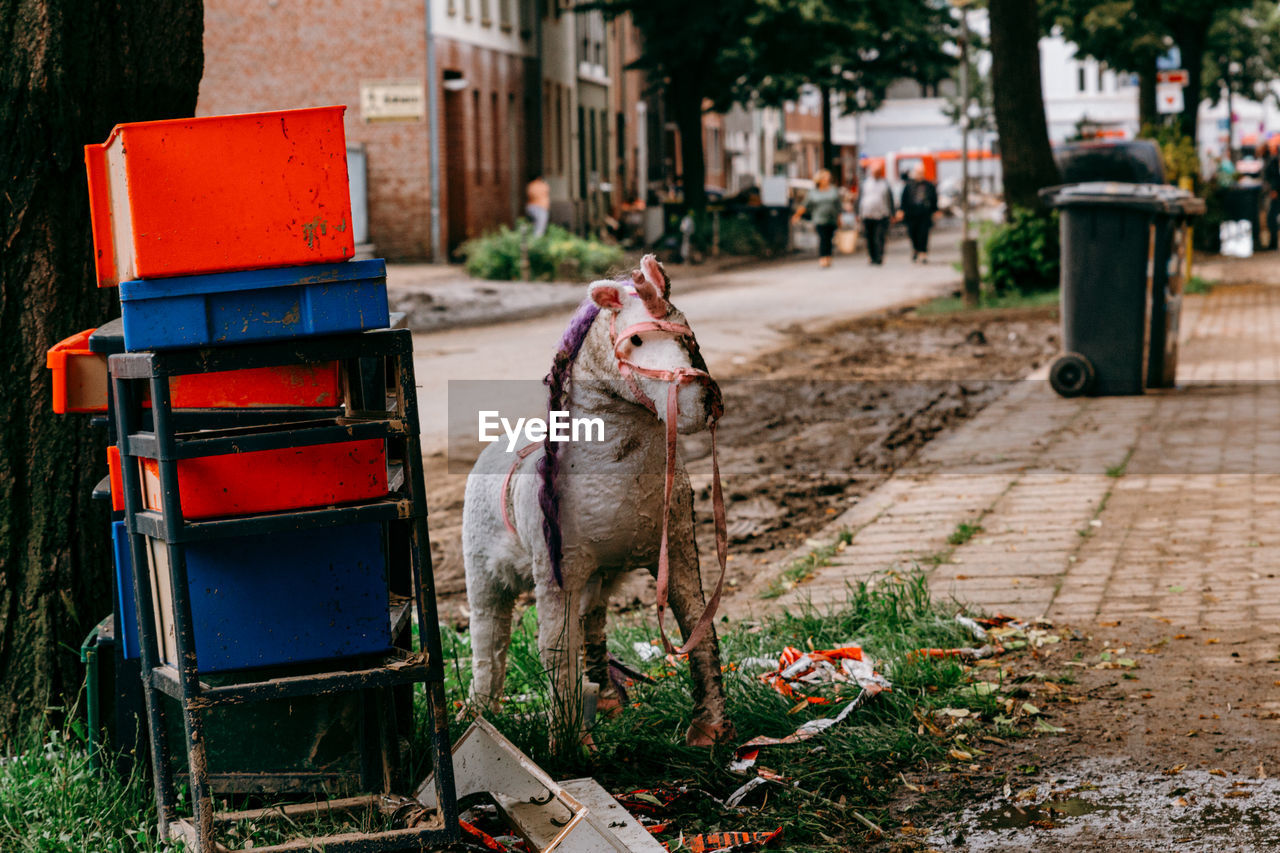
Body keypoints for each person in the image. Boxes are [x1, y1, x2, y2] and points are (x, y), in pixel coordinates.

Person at [791, 169, 842, 267]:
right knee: (823, 238)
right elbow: (805, 205)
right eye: (825, 178)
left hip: (831, 218)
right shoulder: (813, 192)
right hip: (819, 219)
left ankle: (828, 256)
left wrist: (839, 218)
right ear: (819, 180)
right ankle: (823, 258)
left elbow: (838, 205)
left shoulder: (833, 190)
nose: (827, 180)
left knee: (829, 238)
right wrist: (797, 215)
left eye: (828, 178)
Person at [900, 165, 939, 263]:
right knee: (913, 233)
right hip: (911, 214)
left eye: (921, 173)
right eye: (918, 173)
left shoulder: (929, 185)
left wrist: (935, 211)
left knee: (923, 234)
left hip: (924, 214)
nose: (919, 175)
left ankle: (923, 253)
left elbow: (934, 199)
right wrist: (901, 211)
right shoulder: (909, 185)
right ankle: (916, 249)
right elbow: (903, 200)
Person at [857, 162, 895, 265]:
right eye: (874, 171)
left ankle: (879, 256)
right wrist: (858, 213)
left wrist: (893, 213)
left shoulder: (885, 184)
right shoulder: (865, 183)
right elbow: (859, 199)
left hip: (882, 215)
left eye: (878, 171)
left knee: (880, 236)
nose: (876, 173)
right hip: (867, 214)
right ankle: (872, 256)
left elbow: (890, 199)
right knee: (869, 237)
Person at [1265, 141, 1280, 251]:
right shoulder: (1274, 162)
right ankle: (1273, 242)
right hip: (1277, 194)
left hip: (1276, 193)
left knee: (1272, 217)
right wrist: (1273, 189)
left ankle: (1273, 243)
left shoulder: (1274, 161)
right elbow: (1271, 176)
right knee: (1271, 218)